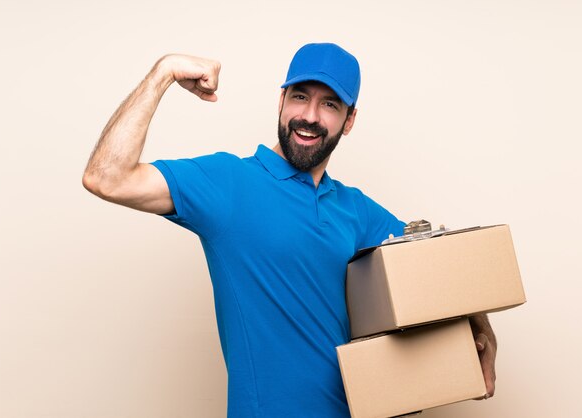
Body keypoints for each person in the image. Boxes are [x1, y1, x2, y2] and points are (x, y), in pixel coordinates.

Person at [83, 43, 497, 417]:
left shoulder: (354, 208)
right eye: (300, 97)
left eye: (331, 105)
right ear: (281, 100)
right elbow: (106, 177)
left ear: (349, 120)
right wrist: (163, 72)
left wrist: (481, 329)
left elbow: (437, 263)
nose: (310, 117)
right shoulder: (228, 183)